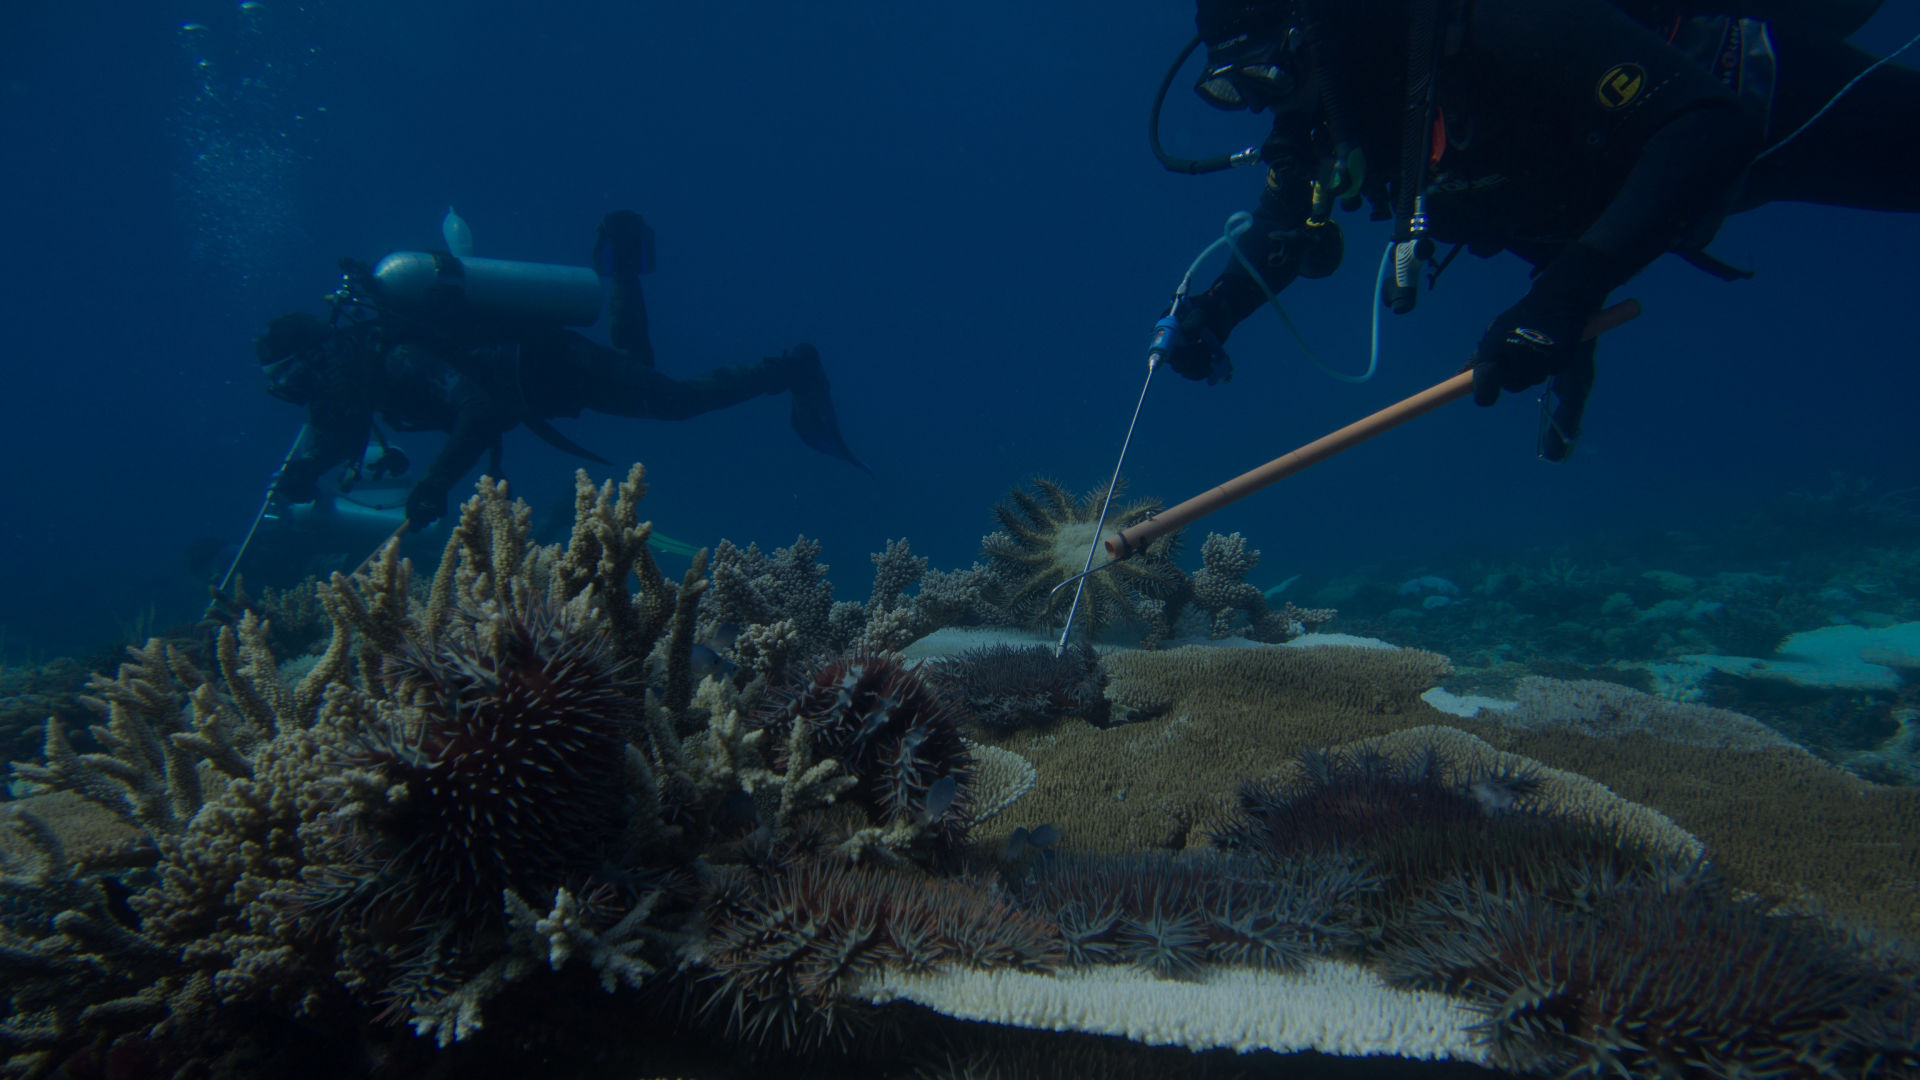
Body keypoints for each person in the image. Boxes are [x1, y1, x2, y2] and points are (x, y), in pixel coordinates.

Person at [1163, 0, 1916, 458]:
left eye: (1272, 74)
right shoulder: (1332, 103)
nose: (1273, 107)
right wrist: (1216, 313)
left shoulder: (1486, 17)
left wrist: (1564, 298)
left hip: (1764, 93)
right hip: (1625, 198)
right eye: (1239, 89)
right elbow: (1290, 223)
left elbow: (1709, 129)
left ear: (1325, 31)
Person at [254, 210, 869, 527]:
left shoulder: (394, 356)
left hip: (550, 365)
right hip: (542, 379)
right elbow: (341, 431)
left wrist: (433, 487)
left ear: (316, 356)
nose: (295, 394)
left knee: (672, 400)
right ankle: (625, 254)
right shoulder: (355, 380)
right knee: (643, 373)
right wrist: (302, 475)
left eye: (292, 379)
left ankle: (789, 368)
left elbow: (478, 409)